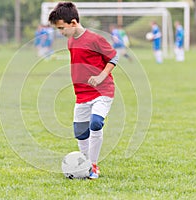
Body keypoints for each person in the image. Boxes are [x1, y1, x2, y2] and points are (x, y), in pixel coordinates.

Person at [48, 2, 119, 179]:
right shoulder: (71, 41)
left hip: (103, 91)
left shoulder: (94, 39)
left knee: (95, 123)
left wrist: (101, 76)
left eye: (61, 28)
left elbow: (113, 56)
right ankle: (86, 164)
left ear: (73, 23)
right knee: (80, 132)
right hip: (81, 95)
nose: (61, 32)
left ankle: (93, 166)